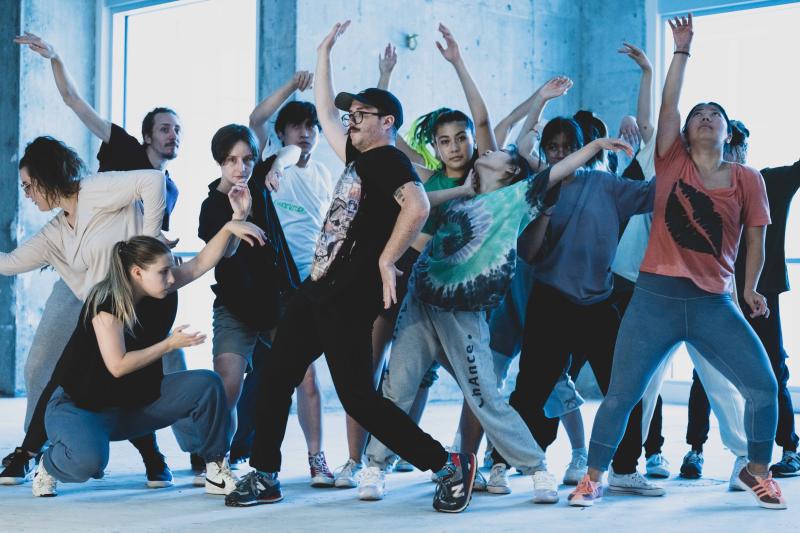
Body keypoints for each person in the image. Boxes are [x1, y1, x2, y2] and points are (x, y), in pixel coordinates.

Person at [224, 21, 475, 513]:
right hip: (315, 291)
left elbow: (419, 206)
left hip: (347, 297)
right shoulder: (357, 159)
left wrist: (387, 259)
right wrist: (322, 53)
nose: (351, 121)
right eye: (352, 115)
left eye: (362, 115)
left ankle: (447, 465)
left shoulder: (389, 163)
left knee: (358, 397)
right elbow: (323, 110)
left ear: (387, 122)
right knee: (276, 377)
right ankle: (266, 473)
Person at [569, 14, 786, 510]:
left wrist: (749, 289)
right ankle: (594, 477)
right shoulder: (671, 161)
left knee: (763, 386)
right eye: (699, 115)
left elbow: (757, 241)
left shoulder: (748, 178)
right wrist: (681, 51)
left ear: (727, 131)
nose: (706, 117)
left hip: (713, 302)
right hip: (654, 299)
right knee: (622, 395)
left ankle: (757, 470)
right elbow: (667, 103)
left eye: (716, 115)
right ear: (685, 131)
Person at [363, 130, 634, 504]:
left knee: (485, 396)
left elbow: (556, 172)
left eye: (500, 153)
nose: (488, 149)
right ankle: (375, 465)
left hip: (463, 312)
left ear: (509, 172)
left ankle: (537, 467)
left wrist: (595, 147)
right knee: (397, 388)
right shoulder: (463, 197)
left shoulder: (515, 197)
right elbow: (415, 207)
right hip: (421, 302)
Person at [14, 31, 184, 485]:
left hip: (128, 287)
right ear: (148, 133)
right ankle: (32, 448)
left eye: (178, 130)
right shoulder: (123, 148)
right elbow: (73, 101)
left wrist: (153, 252)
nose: (174, 136)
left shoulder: (170, 189)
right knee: (49, 364)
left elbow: (151, 234)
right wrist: (55, 58)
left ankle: (187, 455)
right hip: (86, 281)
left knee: (160, 364)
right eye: (166, 128)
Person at [28, 221, 267, 497]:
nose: (171, 278)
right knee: (88, 463)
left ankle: (215, 468)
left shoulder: (159, 287)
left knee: (208, 384)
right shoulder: (106, 303)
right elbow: (117, 365)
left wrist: (227, 228)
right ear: (137, 272)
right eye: (163, 272)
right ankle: (48, 465)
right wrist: (169, 344)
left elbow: (200, 263)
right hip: (81, 408)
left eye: (170, 270)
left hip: (131, 407)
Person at [0, 136, 165, 485]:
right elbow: (11, 262)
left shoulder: (94, 190)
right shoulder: (55, 231)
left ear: (46, 176)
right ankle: (30, 452)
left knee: (131, 384)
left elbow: (152, 181)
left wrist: (149, 246)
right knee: (62, 377)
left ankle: (161, 456)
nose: (27, 194)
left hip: (137, 305)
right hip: (99, 317)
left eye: (29, 185)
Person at [228, 72, 337, 486]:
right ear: (282, 134)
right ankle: (236, 456)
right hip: (274, 287)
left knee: (306, 378)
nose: (306, 134)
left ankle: (316, 458)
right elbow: (256, 118)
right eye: (297, 126)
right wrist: (292, 85)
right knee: (276, 378)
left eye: (311, 127)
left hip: (313, 286)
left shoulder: (325, 176)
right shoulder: (274, 161)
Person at [681, 119, 800, 479]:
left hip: (761, 294)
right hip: (717, 293)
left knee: (773, 368)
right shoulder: (706, 188)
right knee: (706, 371)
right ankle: (695, 449)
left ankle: (790, 448)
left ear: (746, 150)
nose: (733, 153)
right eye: (727, 144)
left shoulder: (769, 182)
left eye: (738, 146)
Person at [196, 124, 304, 484]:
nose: (240, 168)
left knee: (304, 379)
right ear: (219, 163)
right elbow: (221, 254)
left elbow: (293, 151)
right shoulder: (211, 206)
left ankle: (316, 459)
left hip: (278, 302)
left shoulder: (258, 181)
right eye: (231, 161)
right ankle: (215, 459)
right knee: (228, 383)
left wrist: (275, 167)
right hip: (235, 306)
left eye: (246, 160)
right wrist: (236, 222)